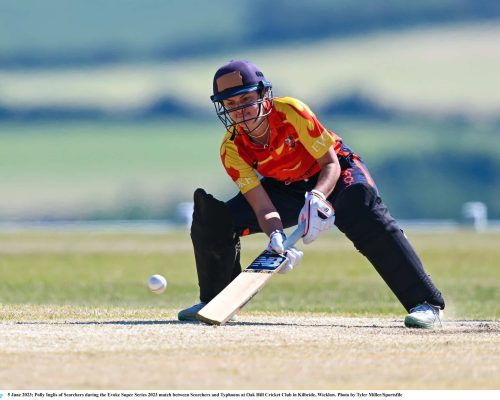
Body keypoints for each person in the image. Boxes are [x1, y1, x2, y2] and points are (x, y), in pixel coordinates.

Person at [178, 59, 445, 328]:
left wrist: (317, 197)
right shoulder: (231, 149)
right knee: (213, 219)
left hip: (335, 170)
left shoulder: (291, 112)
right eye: (231, 104)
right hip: (286, 186)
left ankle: (425, 303)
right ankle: (217, 300)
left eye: (246, 98)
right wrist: (276, 236)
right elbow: (262, 206)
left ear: (262, 94)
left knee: (360, 208)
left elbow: (330, 164)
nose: (240, 110)